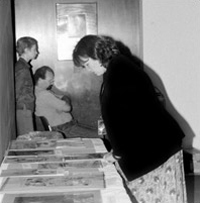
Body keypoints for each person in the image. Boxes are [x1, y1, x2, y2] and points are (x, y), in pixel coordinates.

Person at [72, 35, 187, 203]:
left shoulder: (120, 71)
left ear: (96, 54)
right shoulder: (116, 67)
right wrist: (118, 152)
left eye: (87, 64)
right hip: (153, 146)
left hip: (157, 149)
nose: (88, 69)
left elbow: (124, 119)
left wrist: (118, 154)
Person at [34, 66, 98, 138]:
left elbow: (63, 97)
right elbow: (68, 108)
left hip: (68, 126)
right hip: (64, 129)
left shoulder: (41, 92)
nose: (52, 83)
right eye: (50, 81)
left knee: (99, 131)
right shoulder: (44, 95)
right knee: (100, 135)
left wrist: (64, 100)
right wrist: (65, 100)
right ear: (40, 80)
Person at [15, 36, 39, 135]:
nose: (37, 52)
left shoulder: (23, 66)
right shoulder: (23, 69)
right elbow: (17, 90)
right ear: (26, 50)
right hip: (24, 108)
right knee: (27, 138)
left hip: (25, 107)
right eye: (35, 49)